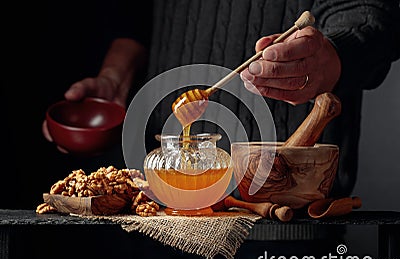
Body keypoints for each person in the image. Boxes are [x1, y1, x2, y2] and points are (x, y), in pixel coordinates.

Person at [42, 0, 400, 199]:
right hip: (154, 203)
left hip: (279, 207)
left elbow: (373, 13)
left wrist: (333, 55)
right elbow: (134, 16)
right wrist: (114, 76)